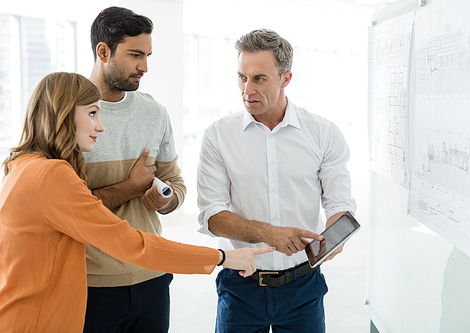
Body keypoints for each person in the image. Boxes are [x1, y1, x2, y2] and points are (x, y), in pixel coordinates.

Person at [0, 72, 272, 333]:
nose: (100, 126)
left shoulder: (22, 167)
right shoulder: (52, 175)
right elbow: (132, 244)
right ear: (64, 112)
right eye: (92, 113)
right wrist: (223, 257)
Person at [197, 29, 357, 333]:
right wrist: (269, 234)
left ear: (286, 78)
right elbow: (212, 216)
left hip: (302, 288)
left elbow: (340, 203)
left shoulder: (322, 133)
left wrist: (333, 237)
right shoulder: (218, 136)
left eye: (259, 79)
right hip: (240, 286)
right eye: (242, 77)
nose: (247, 89)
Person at [83, 7, 184, 332]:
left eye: (148, 55)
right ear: (104, 51)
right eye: (135, 55)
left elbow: (176, 183)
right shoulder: (67, 115)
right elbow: (65, 210)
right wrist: (130, 186)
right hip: (90, 285)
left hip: (152, 278)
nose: (144, 67)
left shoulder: (155, 113)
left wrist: (165, 199)